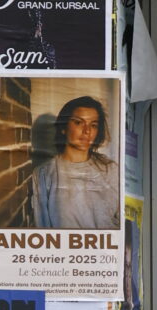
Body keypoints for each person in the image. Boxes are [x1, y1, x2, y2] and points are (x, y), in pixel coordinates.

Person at [31, 94, 118, 231]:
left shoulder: (110, 170)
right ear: (63, 127)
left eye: (93, 125)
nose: (87, 131)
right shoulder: (44, 174)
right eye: (78, 122)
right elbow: (43, 229)